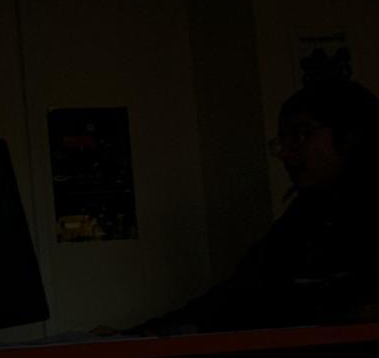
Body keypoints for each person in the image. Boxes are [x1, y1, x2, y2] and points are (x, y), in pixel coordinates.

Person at [129, 79, 379, 336]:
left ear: (353, 134)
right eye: (282, 140)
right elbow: (236, 297)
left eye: (301, 134)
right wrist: (141, 335)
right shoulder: (303, 219)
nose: (286, 153)